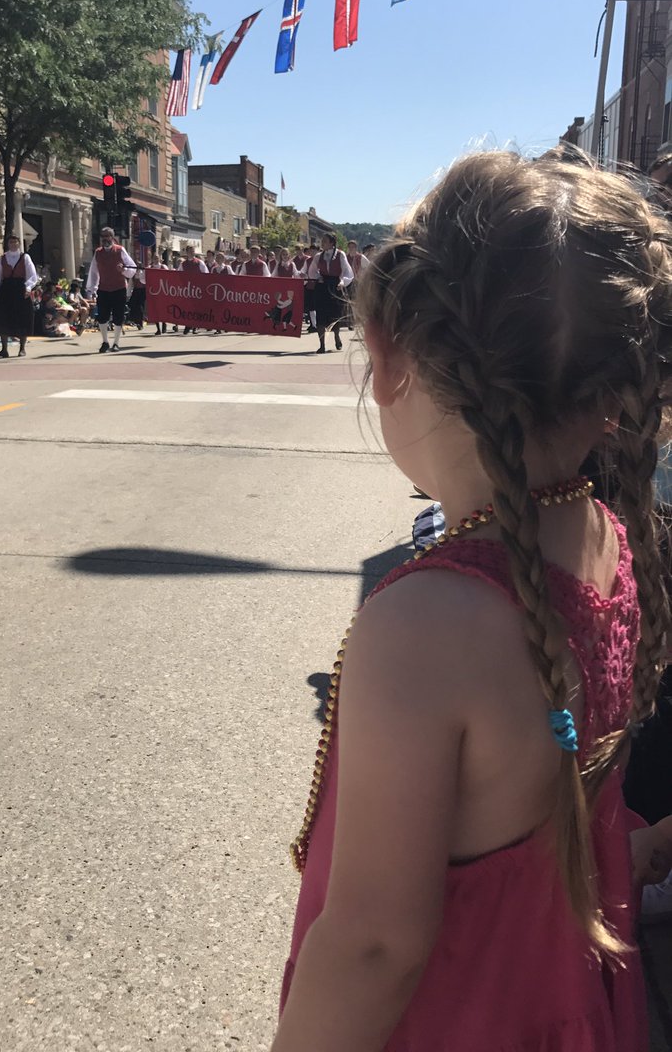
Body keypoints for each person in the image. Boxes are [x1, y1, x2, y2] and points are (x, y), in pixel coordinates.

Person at [275, 150, 672, 1052]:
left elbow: (377, 944)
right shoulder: (609, 540)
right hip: (572, 1001)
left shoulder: (426, 623)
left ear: (389, 354)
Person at [86, 227, 136, 352]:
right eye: (103, 236)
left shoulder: (120, 250)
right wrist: (92, 289)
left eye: (107, 236)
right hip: (103, 289)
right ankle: (105, 342)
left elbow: (132, 269)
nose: (105, 238)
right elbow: (93, 272)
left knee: (118, 316)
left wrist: (123, 270)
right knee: (102, 316)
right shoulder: (98, 252)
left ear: (112, 237)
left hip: (119, 288)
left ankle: (116, 343)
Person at [0, 235, 38, 358]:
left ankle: (22, 348)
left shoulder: (25, 257)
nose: (13, 244)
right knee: (3, 319)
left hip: (20, 289)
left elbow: (32, 275)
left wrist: (28, 287)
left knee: (22, 318)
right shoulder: (2, 258)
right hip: (6, 290)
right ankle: (4, 349)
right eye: (11, 242)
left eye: (15, 242)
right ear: (8, 244)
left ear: (19, 244)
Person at [307, 234, 353, 352]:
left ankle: (336, 336)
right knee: (321, 314)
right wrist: (318, 277)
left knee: (335, 314)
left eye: (325, 241)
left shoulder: (340, 254)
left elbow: (347, 271)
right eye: (322, 241)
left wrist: (342, 282)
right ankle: (322, 345)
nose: (322, 243)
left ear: (332, 243)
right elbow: (312, 271)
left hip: (334, 286)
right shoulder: (318, 256)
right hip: (322, 286)